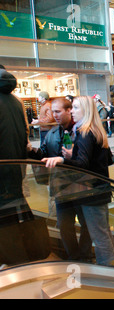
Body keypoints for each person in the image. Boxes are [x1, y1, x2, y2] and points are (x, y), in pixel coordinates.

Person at [42, 96, 114, 266]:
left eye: (75, 107)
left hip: (91, 191)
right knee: (103, 235)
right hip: (99, 190)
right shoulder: (96, 130)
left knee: (100, 237)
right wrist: (72, 155)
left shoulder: (84, 132)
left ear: (86, 110)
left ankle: (111, 274)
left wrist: (63, 160)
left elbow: (82, 164)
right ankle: (112, 270)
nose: (72, 111)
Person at [29, 98, 93, 262]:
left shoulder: (82, 131)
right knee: (65, 226)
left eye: (57, 111)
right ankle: (74, 257)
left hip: (81, 186)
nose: (54, 115)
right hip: (61, 187)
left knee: (87, 224)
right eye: (52, 112)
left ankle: (84, 256)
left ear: (69, 110)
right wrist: (31, 150)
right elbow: (44, 153)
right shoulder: (52, 133)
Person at [0, 68, 40, 265]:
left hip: (2, 171)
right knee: (12, 215)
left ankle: (11, 261)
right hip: (16, 167)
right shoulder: (16, 102)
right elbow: (25, 134)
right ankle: (19, 258)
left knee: (4, 219)